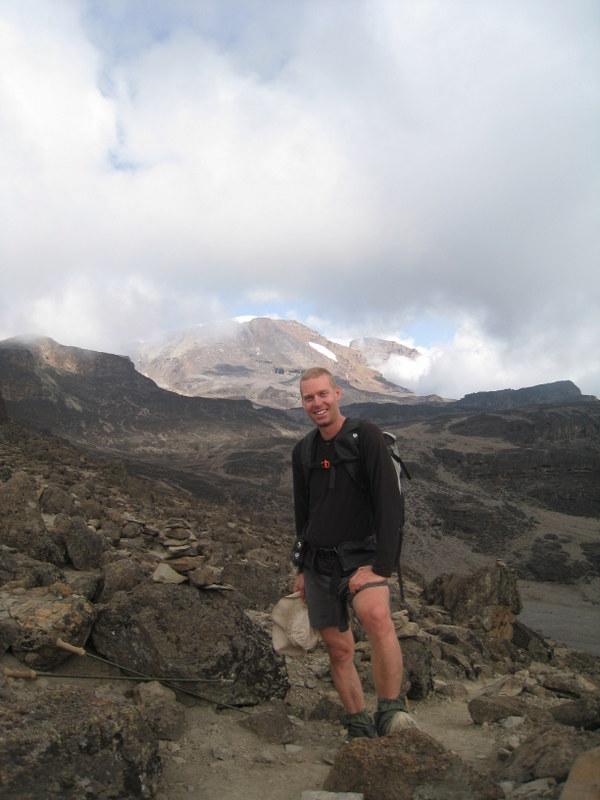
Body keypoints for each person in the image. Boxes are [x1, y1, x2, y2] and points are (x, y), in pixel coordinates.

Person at [292, 366, 417, 741]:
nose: (317, 403)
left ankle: (392, 711)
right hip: (319, 563)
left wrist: (381, 566)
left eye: (322, 394)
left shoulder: (367, 436)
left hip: (362, 555)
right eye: (309, 398)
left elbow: (388, 504)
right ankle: (358, 724)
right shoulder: (303, 452)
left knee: (377, 615)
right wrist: (300, 567)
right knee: (338, 648)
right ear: (303, 403)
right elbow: (304, 514)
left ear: (338, 393)